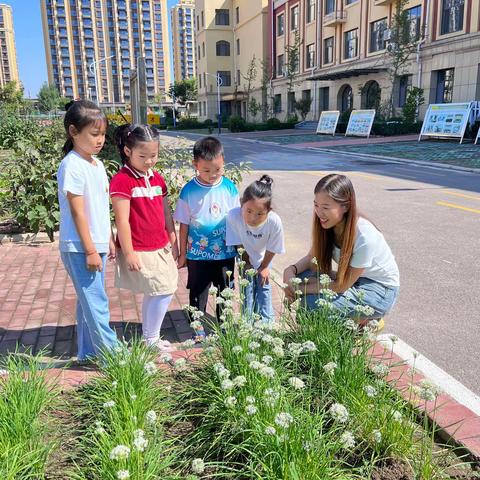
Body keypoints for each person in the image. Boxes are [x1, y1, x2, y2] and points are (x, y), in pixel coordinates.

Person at [283, 173, 399, 324]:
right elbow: (312, 259)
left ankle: (366, 322)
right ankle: (350, 321)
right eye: (316, 205)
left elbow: (341, 286)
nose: (319, 212)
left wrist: (301, 289)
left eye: (325, 207)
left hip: (379, 290)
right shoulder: (328, 225)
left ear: (346, 206)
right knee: (303, 275)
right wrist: (290, 271)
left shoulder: (364, 236)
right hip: (352, 279)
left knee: (311, 304)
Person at [57, 100, 119, 362]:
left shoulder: (96, 164)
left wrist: (107, 237)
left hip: (95, 244)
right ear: (73, 132)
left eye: (103, 134)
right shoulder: (72, 165)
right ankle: (114, 359)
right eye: (94, 134)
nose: (100, 140)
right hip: (80, 247)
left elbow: (99, 207)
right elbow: (78, 211)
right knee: (96, 304)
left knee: (88, 304)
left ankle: (87, 354)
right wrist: (91, 249)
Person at [110, 124, 178, 351]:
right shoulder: (122, 180)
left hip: (160, 245)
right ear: (128, 152)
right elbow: (121, 220)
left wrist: (172, 237)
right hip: (140, 248)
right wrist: (128, 252)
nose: (149, 161)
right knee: (163, 289)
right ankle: (151, 338)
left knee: (160, 290)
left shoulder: (156, 177)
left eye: (154, 155)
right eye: (143, 156)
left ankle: (150, 337)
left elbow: (166, 211)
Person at [174, 136, 239, 317]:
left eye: (217, 169)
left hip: (225, 253)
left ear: (223, 161)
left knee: (225, 290)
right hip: (197, 254)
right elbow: (184, 224)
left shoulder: (229, 188)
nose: (212, 174)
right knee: (197, 291)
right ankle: (197, 327)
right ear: (195, 165)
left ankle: (225, 326)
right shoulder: (188, 190)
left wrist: (240, 248)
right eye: (206, 170)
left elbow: (236, 220)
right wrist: (182, 253)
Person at [226, 175, 285, 322]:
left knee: (263, 287)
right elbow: (238, 243)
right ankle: (248, 321)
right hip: (244, 254)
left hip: (264, 256)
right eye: (249, 211)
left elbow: (273, 247)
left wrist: (264, 267)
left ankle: (267, 323)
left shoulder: (274, 221)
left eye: (260, 213)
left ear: (269, 210)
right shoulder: (233, 216)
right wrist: (246, 263)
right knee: (247, 287)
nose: (253, 217)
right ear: (241, 204)